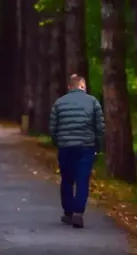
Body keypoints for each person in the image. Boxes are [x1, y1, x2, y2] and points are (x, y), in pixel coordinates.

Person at [49, 74, 104, 229]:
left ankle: (68, 213)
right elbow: (99, 127)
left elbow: (53, 128)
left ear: (69, 87)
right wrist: (98, 146)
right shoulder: (93, 102)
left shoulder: (59, 103)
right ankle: (78, 213)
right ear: (83, 86)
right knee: (82, 180)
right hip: (86, 146)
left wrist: (57, 143)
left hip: (65, 147)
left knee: (67, 180)